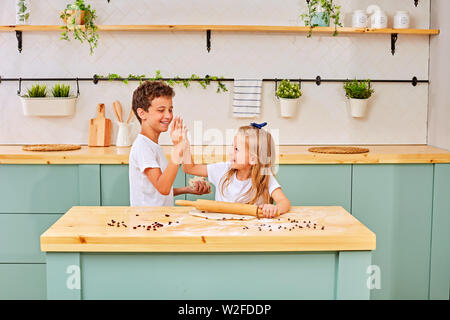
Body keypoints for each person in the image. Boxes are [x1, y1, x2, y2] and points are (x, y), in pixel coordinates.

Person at [181, 122, 290, 218]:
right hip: (222, 228)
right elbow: (189, 168)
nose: (230, 151)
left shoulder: (264, 177)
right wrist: (184, 145)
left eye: (236, 149)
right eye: (232, 146)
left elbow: (284, 202)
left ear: (253, 159)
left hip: (251, 231)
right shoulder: (222, 170)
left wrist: (274, 209)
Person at [129, 80, 210, 206]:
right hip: (147, 221)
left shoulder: (152, 145)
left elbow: (157, 190)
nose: (168, 115)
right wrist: (177, 150)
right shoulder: (142, 147)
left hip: (157, 218)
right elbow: (163, 188)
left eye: (170, 109)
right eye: (161, 110)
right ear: (142, 113)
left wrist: (187, 190)